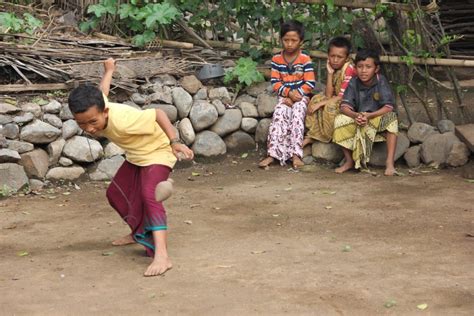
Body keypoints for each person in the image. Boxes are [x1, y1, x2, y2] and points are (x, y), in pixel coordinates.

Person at [67, 58, 194, 277]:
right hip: (137, 154)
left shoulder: (123, 120)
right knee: (115, 194)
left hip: (158, 151)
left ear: (105, 112)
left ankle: (162, 255)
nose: (88, 128)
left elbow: (157, 114)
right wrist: (109, 70)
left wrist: (174, 141)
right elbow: (102, 90)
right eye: (81, 124)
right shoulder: (97, 105)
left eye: (93, 122)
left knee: (150, 195)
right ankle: (139, 232)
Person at [258, 20, 316, 169]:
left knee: (297, 116)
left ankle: (295, 154)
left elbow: (310, 83)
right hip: (285, 97)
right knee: (279, 115)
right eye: (286, 40)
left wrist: (297, 95)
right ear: (281, 40)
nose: (289, 44)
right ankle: (272, 154)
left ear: (301, 42)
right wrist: (288, 94)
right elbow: (275, 82)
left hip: (301, 97)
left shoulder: (305, 59)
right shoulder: (277, 59)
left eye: (294, 40)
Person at [332, 49, 399, 176]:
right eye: (360, 67)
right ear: (355, 68)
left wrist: (370, 116)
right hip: (359, 118)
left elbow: (388, 107)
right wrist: (355, 115)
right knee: (339, 120)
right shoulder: (353, 82)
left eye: (368, 67)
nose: (363, 70)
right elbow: (344, 107)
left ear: (376, 68)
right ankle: (349, 161)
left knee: (392, 118)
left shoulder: (381, 81)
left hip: (376, 117)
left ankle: (389, 163)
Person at [303, 36, 356, 147]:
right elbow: (328, 94)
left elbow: (342, 95)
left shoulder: (349, 69)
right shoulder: (334, 68)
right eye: (332, 56)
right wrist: (330, 73)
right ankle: (314, 135)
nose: (335, 60)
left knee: (329, 106)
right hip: (336, 97)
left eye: (339, 57)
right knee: (315, 99)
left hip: (348, 101)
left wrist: (321, 104)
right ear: (328, 56)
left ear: (346, 58)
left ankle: (328, 136)